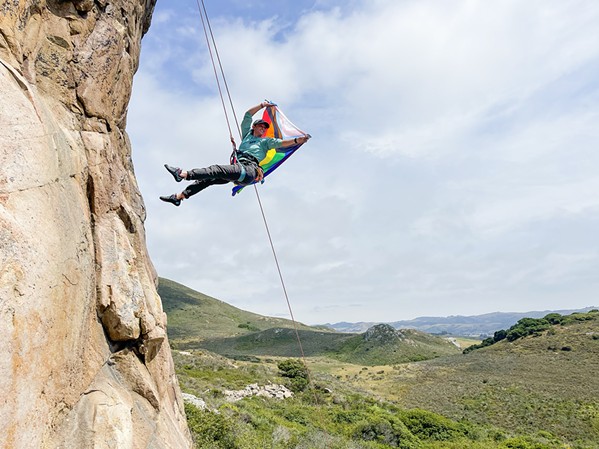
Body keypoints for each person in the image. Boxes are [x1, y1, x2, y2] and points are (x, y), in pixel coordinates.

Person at [160, 101, 310, 206]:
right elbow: (247, 115)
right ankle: (179, 197)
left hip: (249, 170)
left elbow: (282, 143)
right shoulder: (247, 136)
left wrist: (298, 140)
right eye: (261, 127)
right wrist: (262, 105)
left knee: (216, 169)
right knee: (208, 179)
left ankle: (182, 174)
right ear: (255, 127)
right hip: (240, 169)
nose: (263, 129)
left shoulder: (266, 142)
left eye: (265, 128)